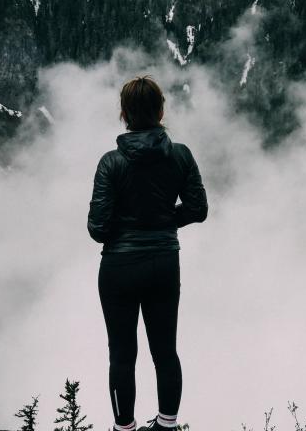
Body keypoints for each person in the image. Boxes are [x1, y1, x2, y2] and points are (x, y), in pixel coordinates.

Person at [87, 75, 208, 431]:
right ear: (161, 110)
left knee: (122, 355)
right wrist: (164, 221)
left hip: (119, 267)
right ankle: (167, 424)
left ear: (124, 113)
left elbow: (97, 229)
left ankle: (124, 428)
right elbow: (198, 209)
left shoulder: (111, 163)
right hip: (164, 262)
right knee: (165, 350)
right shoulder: (180, 155)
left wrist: (126, 228)